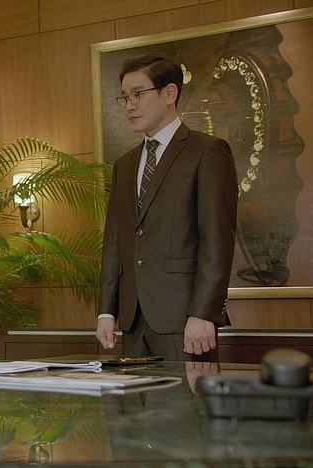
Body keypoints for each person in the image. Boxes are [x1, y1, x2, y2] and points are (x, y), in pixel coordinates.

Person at [96, 54, 238, 361]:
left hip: (185, 321)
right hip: (133, 321)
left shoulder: (207, 152)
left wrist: (204, 313)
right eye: (125, 97)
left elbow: (217, 240)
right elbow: (114, 240)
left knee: (188, 395)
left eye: (138, 94)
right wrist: (106, 311)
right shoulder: (124, 165)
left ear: (169, 93)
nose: (129, 105)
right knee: (135, 395)